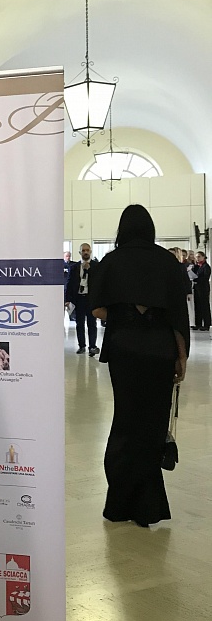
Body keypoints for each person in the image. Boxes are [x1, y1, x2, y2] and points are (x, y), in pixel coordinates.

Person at [89, 205, 189, 527]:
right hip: (160, 350)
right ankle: (148, 505)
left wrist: (125, 314)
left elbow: (97, 310)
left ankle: (119, 502)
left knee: (126, 418)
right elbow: (178, 317)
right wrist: (181, 357)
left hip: (125, 350)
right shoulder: (167, 262)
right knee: (153, 423)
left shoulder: (111, 261)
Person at [65, 243, 100, 355]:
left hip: (91, 299)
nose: (85, 252)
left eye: (87, 250)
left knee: (92, 323)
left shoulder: (96, 266)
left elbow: (99, 282)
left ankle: (92, 346)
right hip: (79, 298)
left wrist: (89, 270)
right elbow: (69, 284)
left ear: (90, 252)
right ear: (80, 252)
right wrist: (67, 299)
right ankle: (82, 346)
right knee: (79, 323)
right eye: (83, 250)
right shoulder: (74, 267)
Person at [191, 251, 211, 331]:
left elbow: (205, 277)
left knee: (204, 306)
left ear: (203, 257)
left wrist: (196, 278)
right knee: (197, 306)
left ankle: (207, 324)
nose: (197, 258)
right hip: (197, 288)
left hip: (203, 288)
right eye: (196, 257)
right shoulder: (197, 266)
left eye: (199, 256)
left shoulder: (206, 266)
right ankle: (198, 324)